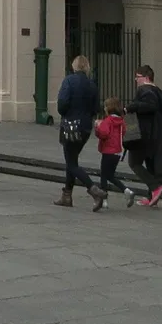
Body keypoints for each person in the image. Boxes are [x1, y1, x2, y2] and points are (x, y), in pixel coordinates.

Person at [54, 55, 105, 210]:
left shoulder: (69, 81)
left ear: (74, 66)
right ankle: (67, 195)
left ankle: (93, 190)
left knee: (71, 163)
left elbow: (62, 104)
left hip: (70, 125)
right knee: (72, 159)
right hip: (85, 127)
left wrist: (67, 112)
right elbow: (97, 108)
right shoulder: (92, 84)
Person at [125, 64, 162, 207]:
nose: (136, 80)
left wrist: (131, 107)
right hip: (158, 133)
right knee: (151, 164)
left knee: (134, 162)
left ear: (146, 78)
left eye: (138, 77)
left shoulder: (145, 90)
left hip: (144, 134)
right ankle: (152, 197)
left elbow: (150, 105)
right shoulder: (159, 92)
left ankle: (155, 188)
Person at [93, 97, 130, 206]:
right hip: (117, 151)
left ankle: (104, 199)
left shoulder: (108, 120)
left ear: (109, 108)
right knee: (110, 175)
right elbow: (123, 132)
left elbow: (104, 134)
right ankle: (126, 190)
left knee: (104, 175)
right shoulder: (121, 120)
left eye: (105, 106)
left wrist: (97, 127)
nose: (104, 108)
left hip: (107, 151)